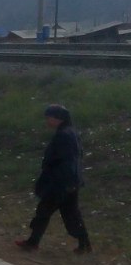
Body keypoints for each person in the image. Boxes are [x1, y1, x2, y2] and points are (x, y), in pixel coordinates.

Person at [15, 103, 92, 254]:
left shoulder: (64, 135)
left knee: (44, 212)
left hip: (60, 183)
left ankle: (32, 243)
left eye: (49, 118)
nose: (47, 121)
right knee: (71, 214)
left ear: (58, 119)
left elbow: (66, 161)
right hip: (69, 182)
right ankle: (85, 244)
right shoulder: (70, 133)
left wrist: (62, 182)